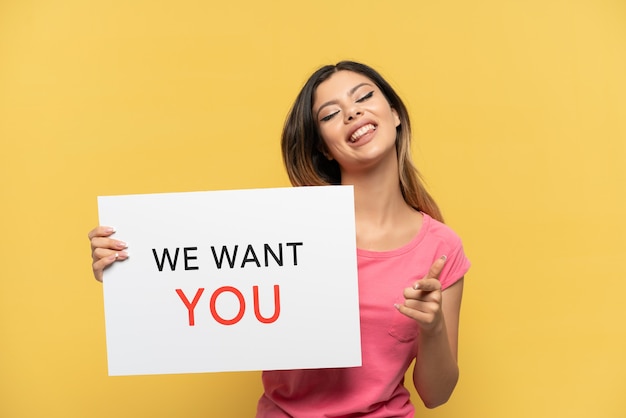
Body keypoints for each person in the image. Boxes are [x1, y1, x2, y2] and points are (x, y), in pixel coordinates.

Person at [88, 61, 470, 417]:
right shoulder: (284, 227)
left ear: (395, 113)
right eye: (331, 114)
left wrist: (432, 327)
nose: (353, 113)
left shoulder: (441, 248)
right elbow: (202, 289)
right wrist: (128, 271)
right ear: (322, 146)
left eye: (364, 96)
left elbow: (437, 395)